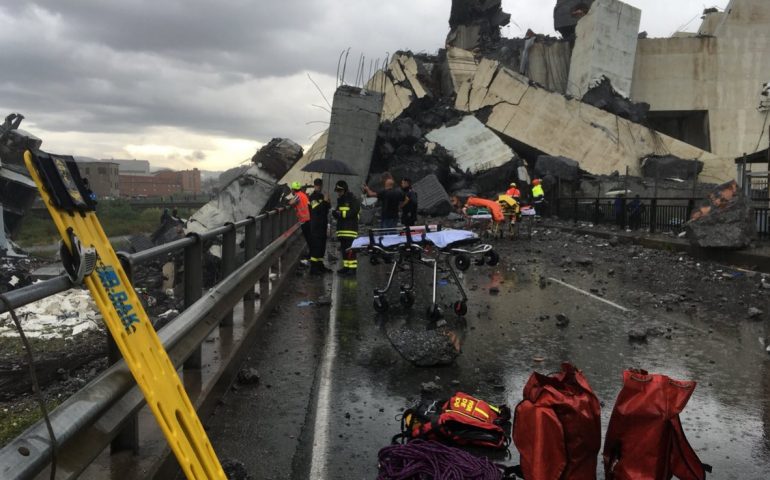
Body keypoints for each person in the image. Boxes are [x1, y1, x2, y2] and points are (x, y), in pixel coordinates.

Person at [332, 180, 360, 275]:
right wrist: (335, 213)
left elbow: (354, 211)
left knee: (350, 250)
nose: (338, 193)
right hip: (342, 229)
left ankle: (352, 269)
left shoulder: (352, 199)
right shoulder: (340, 200)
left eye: (340, 191)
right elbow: (337, 212)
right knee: (344, 250)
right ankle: (346, 267)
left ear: (345, 190)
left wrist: (341, 214)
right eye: (337, 191)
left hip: (350, 229)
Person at [308, 178, 331, 275]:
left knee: (322, 246)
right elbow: (316, 209)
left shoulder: (322, 196)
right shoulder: (312, 197)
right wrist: (325, 202)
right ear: (314, 185)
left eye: (320, 185)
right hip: (316, 225)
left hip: (323, 224)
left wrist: (328, 201)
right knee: (316, 246)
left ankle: (320, 265)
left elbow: (326, 209)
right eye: (317, 185)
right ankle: (313, 268)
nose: (319, 186)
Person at [288, 181, 311, 261]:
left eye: (292, 189)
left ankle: (311, 255)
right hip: (308, 219)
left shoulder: (298, 196)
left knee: (308, 238)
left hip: (304, 220)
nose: (291, 191)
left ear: (294, 190)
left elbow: (291, 203)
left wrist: (289, 201)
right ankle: (311, 254)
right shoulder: (303, 195)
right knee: (309, 238)